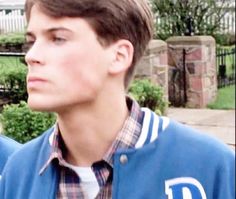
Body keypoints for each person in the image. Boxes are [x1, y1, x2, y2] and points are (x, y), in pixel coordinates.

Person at [0, 0, 235, 198]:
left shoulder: (209, 168)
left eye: (58, 38)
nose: (32, 56)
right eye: (32, 41)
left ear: (119, 56)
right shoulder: (18, 173)